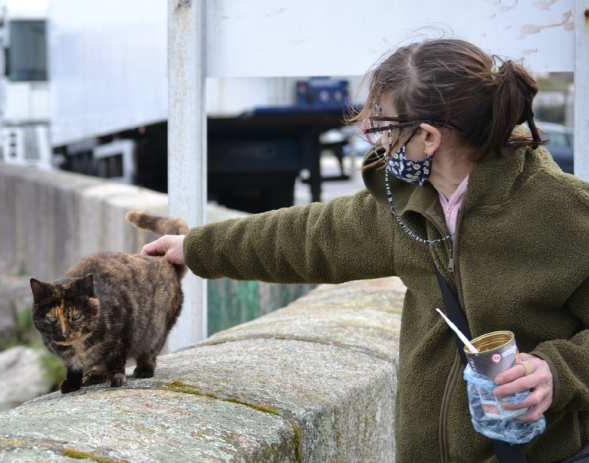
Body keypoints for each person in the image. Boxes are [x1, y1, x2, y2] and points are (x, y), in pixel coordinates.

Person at [141, 39, 589, 463]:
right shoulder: (405, 204)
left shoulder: (567, 211)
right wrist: (196, 247)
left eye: (387, 128)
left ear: (429, 138)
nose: (379, 142)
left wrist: (557, 372)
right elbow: (305, 237)